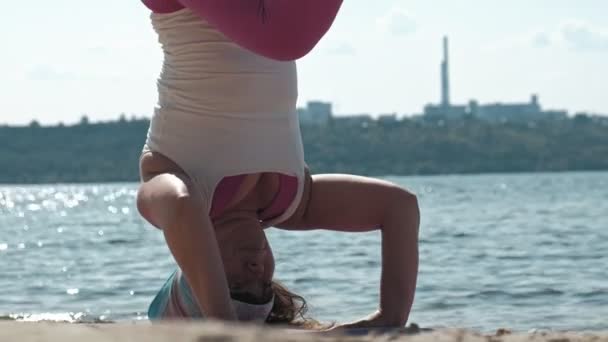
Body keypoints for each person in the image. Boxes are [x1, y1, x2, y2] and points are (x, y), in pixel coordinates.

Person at [136, 0, 420, 329]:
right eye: (264, 288)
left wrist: (221, 324)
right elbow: (400, 207)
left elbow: (181, 207)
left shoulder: (174, 192)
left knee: (286, 37)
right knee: (285, 36)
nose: (256, 271)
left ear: (194, 276)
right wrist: (389, 318)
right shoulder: (290, 204)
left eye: (237, 287)